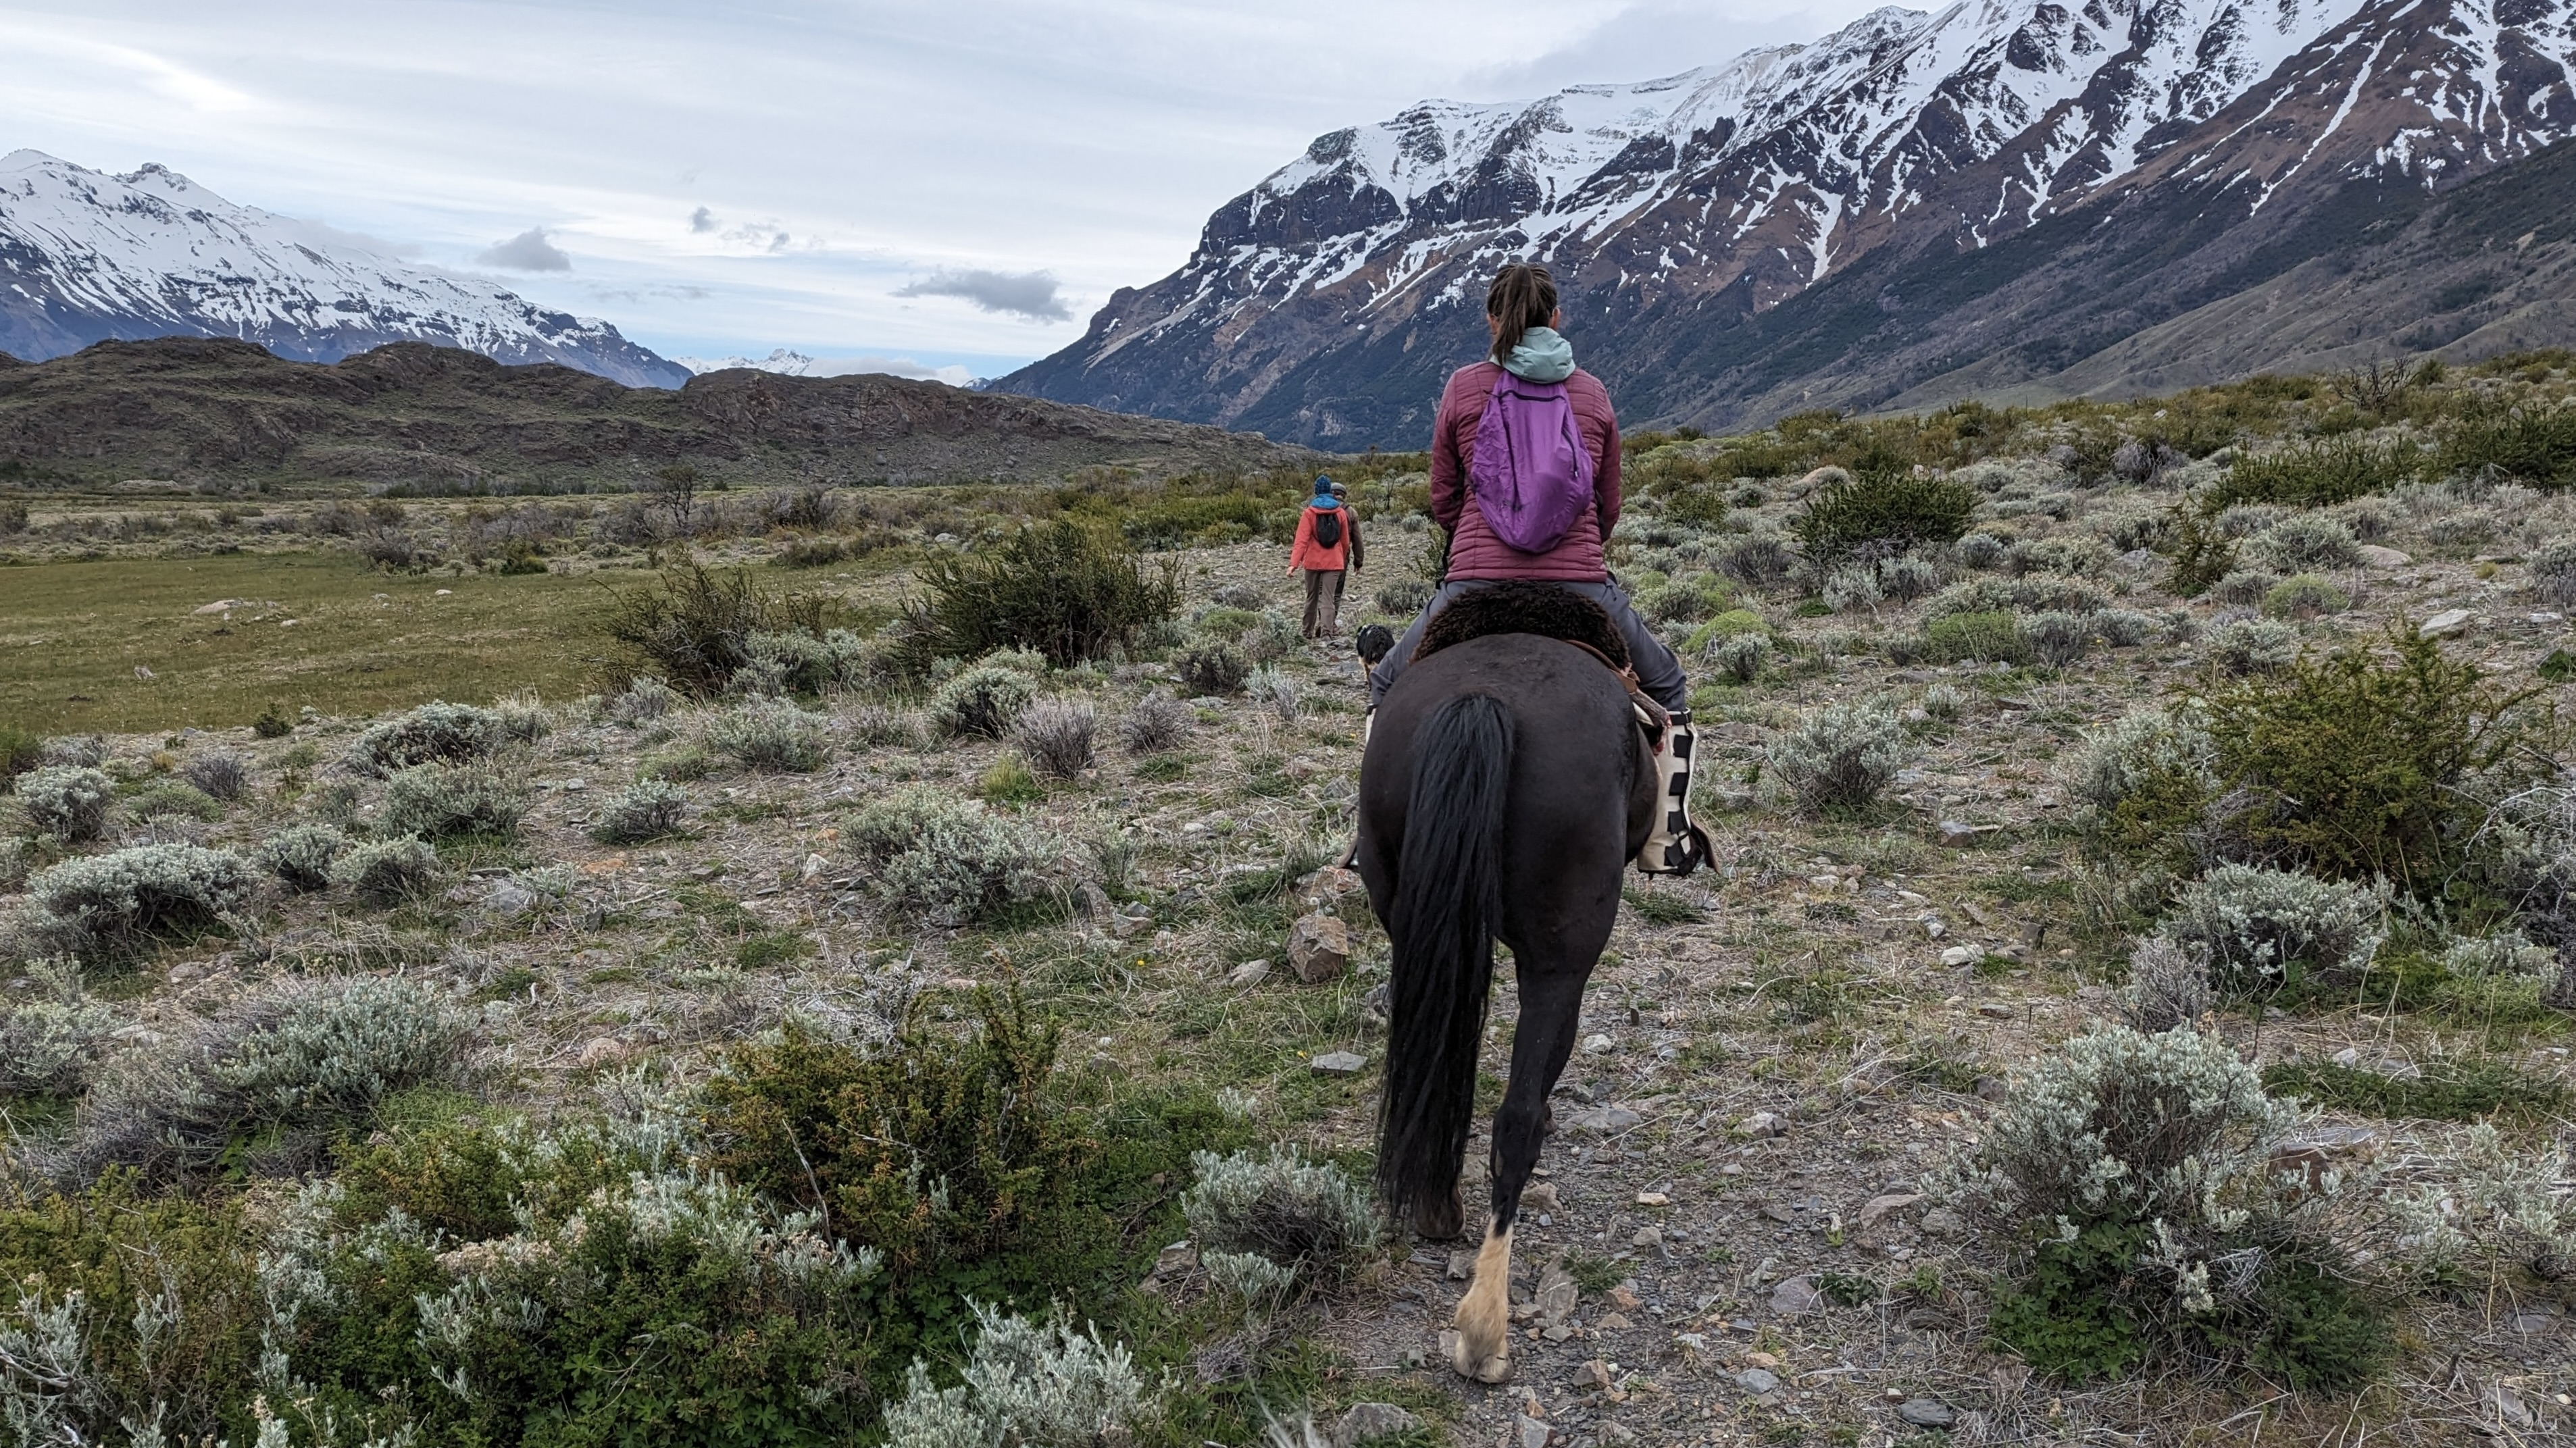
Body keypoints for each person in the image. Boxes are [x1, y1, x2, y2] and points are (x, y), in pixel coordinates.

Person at [1365, 261, 1704, 873]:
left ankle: (1372, 845)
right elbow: (1607, 503)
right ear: (1556, 317)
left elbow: (1444, 496)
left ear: (1491, 320)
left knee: (1388, 684)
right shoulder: (1592, 393)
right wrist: (1580, 554)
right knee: (1668, 687)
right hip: (1580, 583)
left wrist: (1471, 545)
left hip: (1475, 579)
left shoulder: (1464, 387)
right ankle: (1663, 840)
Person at [1286, 472, 1363, 638]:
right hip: (1334, 562)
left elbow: (1301, 541)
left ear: (1316, 491)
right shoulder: (1341, 512)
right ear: (1329, 491)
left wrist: (1294, 564)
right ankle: (1327, 633)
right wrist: (1341, 557)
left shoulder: (1309, 513)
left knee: (1311, 597)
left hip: (1313, 561)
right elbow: (1345, 541)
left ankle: (1307, 632)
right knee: (1328, 598)